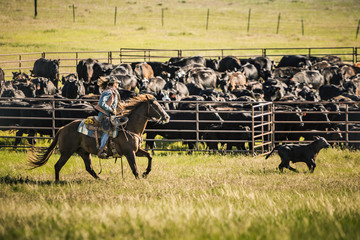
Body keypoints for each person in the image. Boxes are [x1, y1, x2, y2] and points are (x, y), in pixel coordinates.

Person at [95, 76, 123, 158]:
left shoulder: (114, 92)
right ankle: (102, 149)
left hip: (110, 115)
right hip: (104, 115)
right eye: (117, 83)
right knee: (108, 130)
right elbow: (101, 104)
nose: (118, 84)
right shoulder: (108, 92)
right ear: (114, 83)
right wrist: (111, 110)